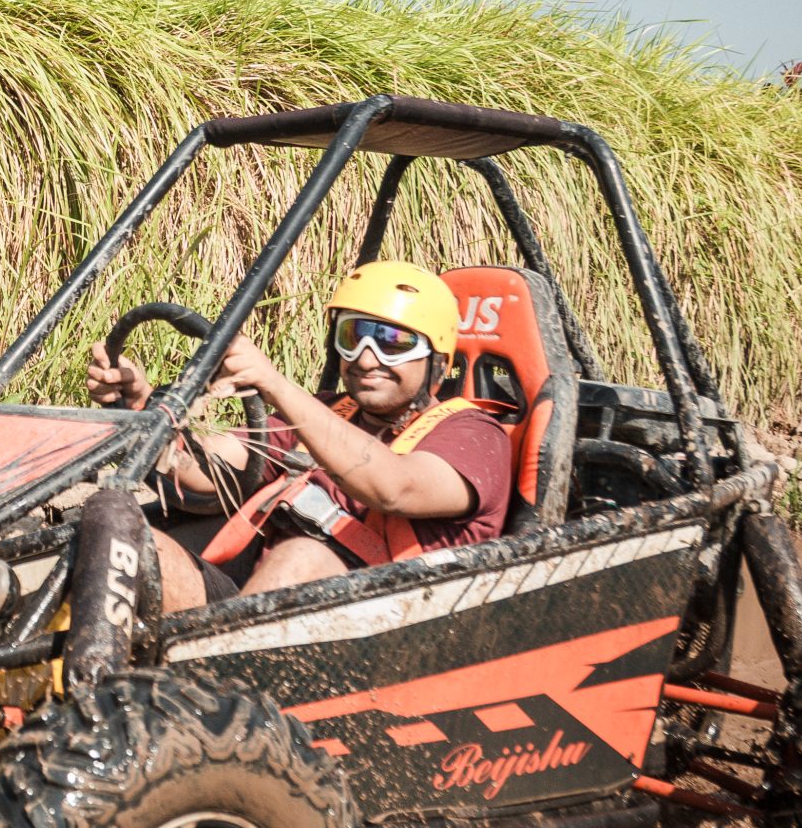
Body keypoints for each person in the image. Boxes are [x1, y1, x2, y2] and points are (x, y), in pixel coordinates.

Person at [86, 260, 513, 613]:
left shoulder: (473, 435)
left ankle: (214, 688)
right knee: (124, 536)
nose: (366, 357)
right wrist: (140, 412)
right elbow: (205, 474)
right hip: (262, 608)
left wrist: (274, 383)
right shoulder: (327, 412)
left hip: (387, 628)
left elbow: (394, 488)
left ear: (438, 359)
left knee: (305, 555)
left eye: (392, 341)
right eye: (353, 336)